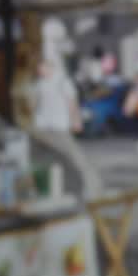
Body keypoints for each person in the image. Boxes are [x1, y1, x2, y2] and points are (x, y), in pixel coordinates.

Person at [27, 59, 103, 200]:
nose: (39, 70)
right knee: (43, 160)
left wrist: (76, 120)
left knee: (72, 156)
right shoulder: (39, 83)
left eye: (41, 67)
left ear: (49, 66)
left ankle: (89, 187)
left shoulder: (62, 81)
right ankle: (50, 189)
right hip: (41, 125)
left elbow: (72, 102)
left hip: (59, 125)